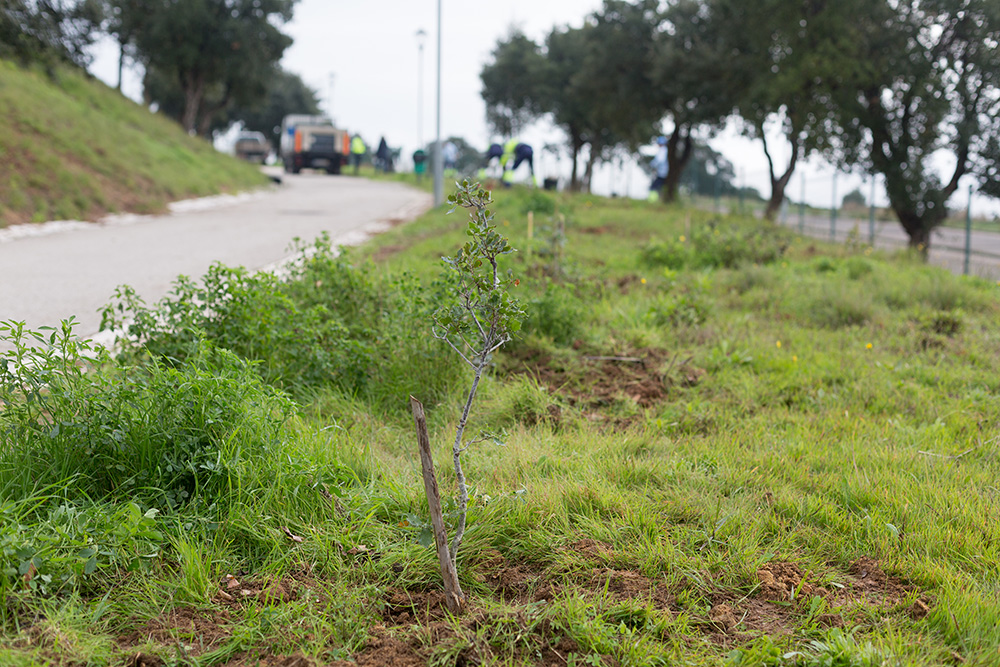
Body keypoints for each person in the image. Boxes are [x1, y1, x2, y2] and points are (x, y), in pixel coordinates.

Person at [649, 135, 668, 201]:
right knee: (660, 187)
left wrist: (653, 164)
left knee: (653, 187)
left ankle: (652, 201)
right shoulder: (665, 150)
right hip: (662, 172)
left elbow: (659, 160)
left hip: (662, 173)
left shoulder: (662, 150)